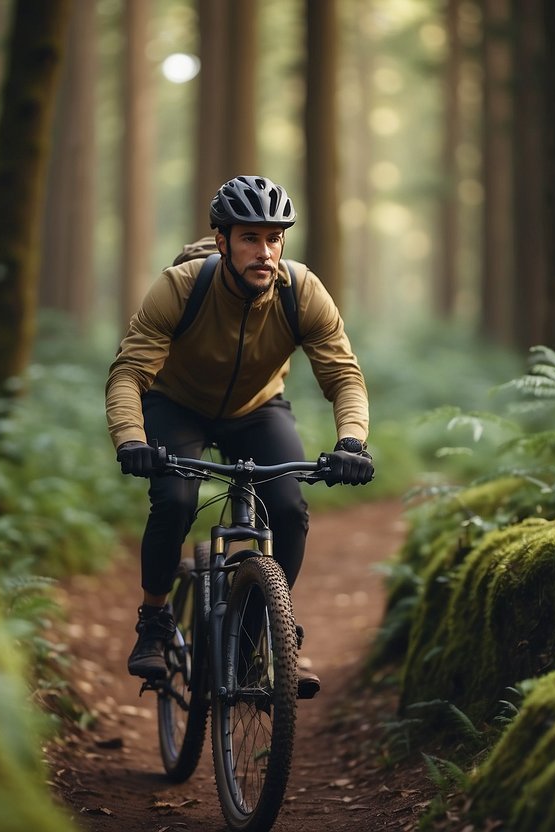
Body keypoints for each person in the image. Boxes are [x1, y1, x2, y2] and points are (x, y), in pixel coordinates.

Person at [106, 175, 374, 699]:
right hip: (176, 403)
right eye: (251, 237)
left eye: (274, 238)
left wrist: (352, 442)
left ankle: (258, 642)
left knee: (288, 508)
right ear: (222, 240)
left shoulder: (303, 292)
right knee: (176, 498)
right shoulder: (181, 287)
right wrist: (131, 439)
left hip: (256, 408)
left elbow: (344, 376)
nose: (265, 251)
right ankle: (155, 622)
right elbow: (129, 373)